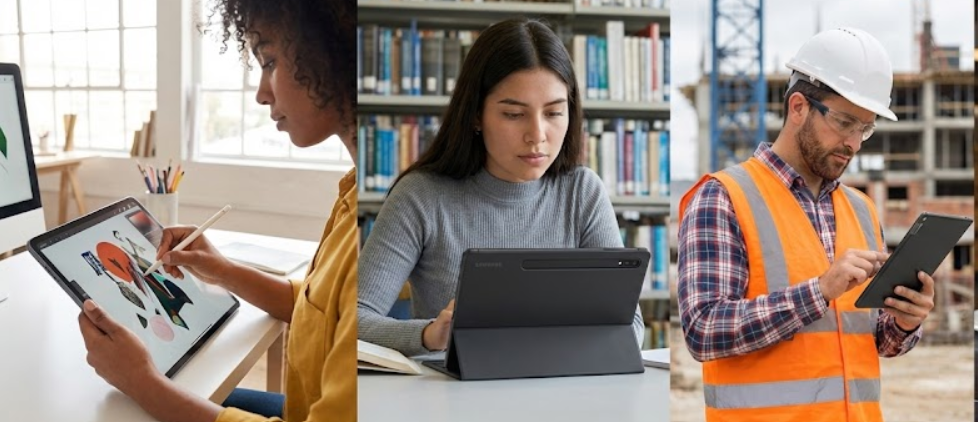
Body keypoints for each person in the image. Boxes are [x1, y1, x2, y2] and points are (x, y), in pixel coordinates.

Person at [74, 0, 357, 420]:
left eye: (270, 62)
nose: (261, 94)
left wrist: (141, 380)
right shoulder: (357, 192)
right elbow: (319, 306)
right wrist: (221, 270)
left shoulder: (381, 236)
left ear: (332, 49)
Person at [678, 27, 937, 422]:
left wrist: (904, 322)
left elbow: (873, 342)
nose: (854, 143)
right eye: (845, 122)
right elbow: (703, 330)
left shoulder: (862, 210)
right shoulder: (724, 197)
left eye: (865, 128)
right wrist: (818, 292)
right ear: (798, 107)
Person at [357, 19, 644, 357]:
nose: (537, 135)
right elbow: (353, 319)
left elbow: (629, 325)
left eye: (554, 113)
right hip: (455, 389)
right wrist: (429, 334)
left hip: (563, 384)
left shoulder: (583, 192)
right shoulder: (420, 196)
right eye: (513, 114)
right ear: (476, 115)